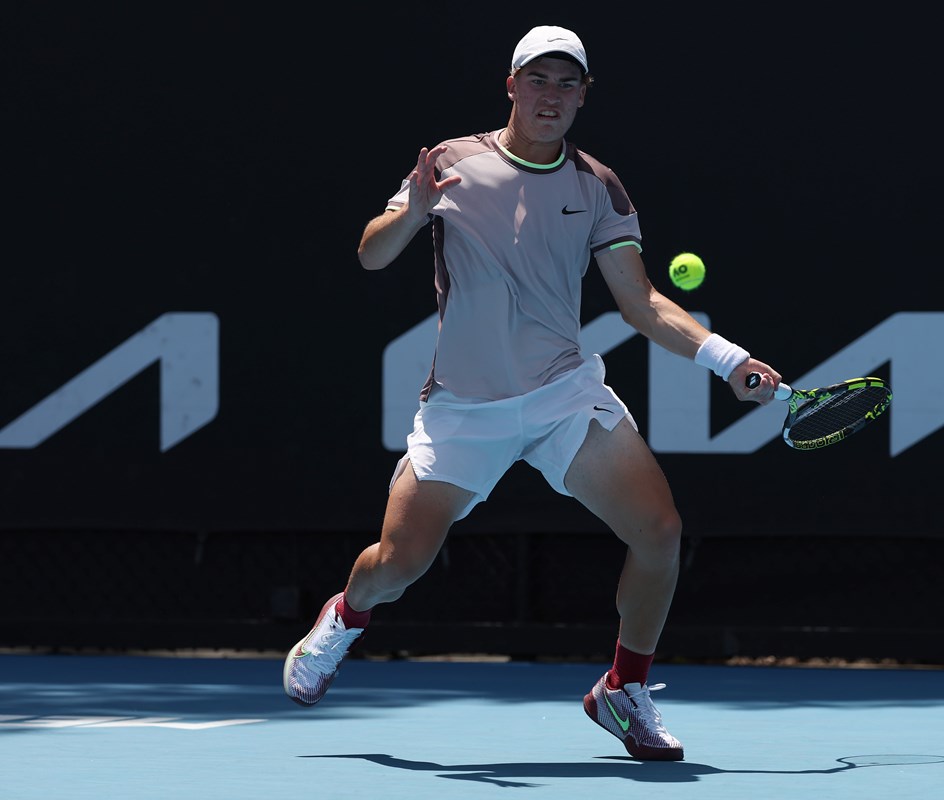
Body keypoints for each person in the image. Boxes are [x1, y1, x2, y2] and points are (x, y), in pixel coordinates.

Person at [283, 24, 782, 762]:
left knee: (660, 532)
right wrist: (412, 210)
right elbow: (370, 252)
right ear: (511, 86)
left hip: (561, 399)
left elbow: (640, 302)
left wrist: (727, 358)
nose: (552, 96)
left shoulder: (598, 186)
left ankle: (623, 689)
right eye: (538, 80)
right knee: (397, 564)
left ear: (584, 97)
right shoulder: (450, 162)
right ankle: (345, 618)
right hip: (463, 407)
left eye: (567, 83)